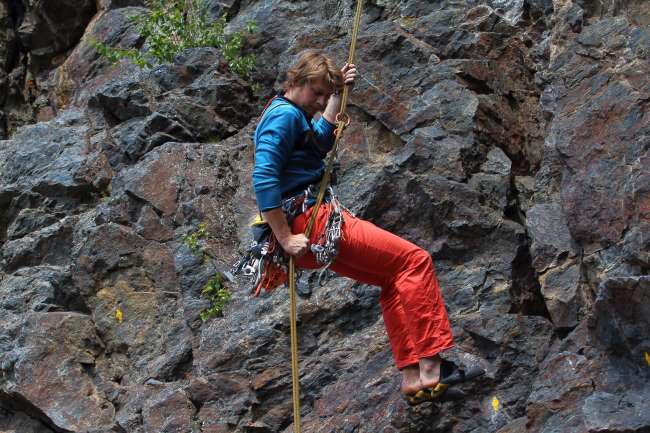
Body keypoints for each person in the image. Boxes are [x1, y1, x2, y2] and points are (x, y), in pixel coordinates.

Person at [252, 51, 456, 401]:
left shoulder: (291, 113)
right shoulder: (283, 117)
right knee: (414, 261)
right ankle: (433, 368)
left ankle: (411, 375)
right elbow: (264, 177)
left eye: (323, 95)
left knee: (392, 278)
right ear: (294, 83)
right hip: (311, 224)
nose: (318, 101)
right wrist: (286, 238)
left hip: (308, 228)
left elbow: (316, 144)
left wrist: (335, 97)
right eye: (316, 93)